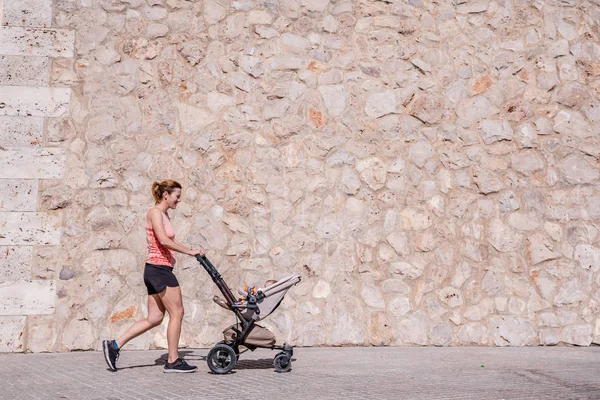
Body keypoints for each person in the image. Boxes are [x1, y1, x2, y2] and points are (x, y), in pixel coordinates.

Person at [102, 180, 204, 373]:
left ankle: (114, 346)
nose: (178, 200)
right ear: (166, 195)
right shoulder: (155, 213)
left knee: (155, 318)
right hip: (159, 270)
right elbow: (164, 241)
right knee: (178, 313)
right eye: (177, 196)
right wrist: (190, 251)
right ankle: (173, 361)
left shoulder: (163, 214)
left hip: (156, 270)